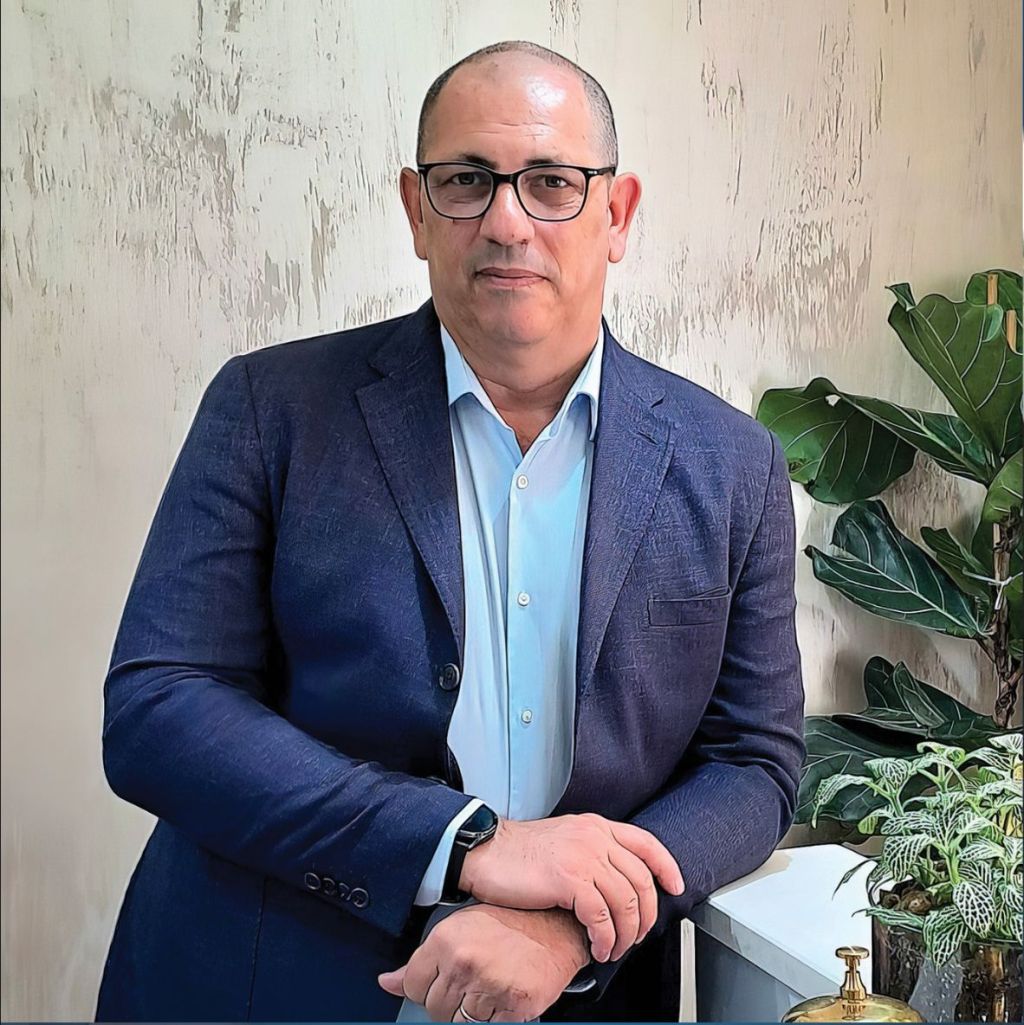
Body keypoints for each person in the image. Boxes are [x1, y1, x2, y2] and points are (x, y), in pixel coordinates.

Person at [95, 40, 806, 1024]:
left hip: (582, 993)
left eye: (552, 182)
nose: (507, 221)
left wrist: (571, 923)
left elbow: (753, 763)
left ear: (617, 214)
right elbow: (159, 708)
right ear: (416, 209)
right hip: (270, 981)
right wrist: (468, 841)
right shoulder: (268, 407)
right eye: (467, 180)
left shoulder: (733, 463)